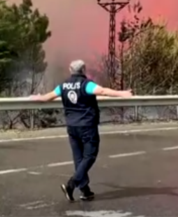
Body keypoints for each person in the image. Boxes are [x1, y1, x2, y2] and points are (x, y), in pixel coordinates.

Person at [29, 59, 133, 202]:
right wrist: (123, 94)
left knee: (79, 159)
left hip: (72, 127)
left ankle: (85, 191)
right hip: (87, 126)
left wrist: (35, 97)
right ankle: (71, 185)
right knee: (90, 155)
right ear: (83, 70)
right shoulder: (86, 84)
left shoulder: (63, 86)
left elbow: (47, 97)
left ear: (70, 70)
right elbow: (102, 91)